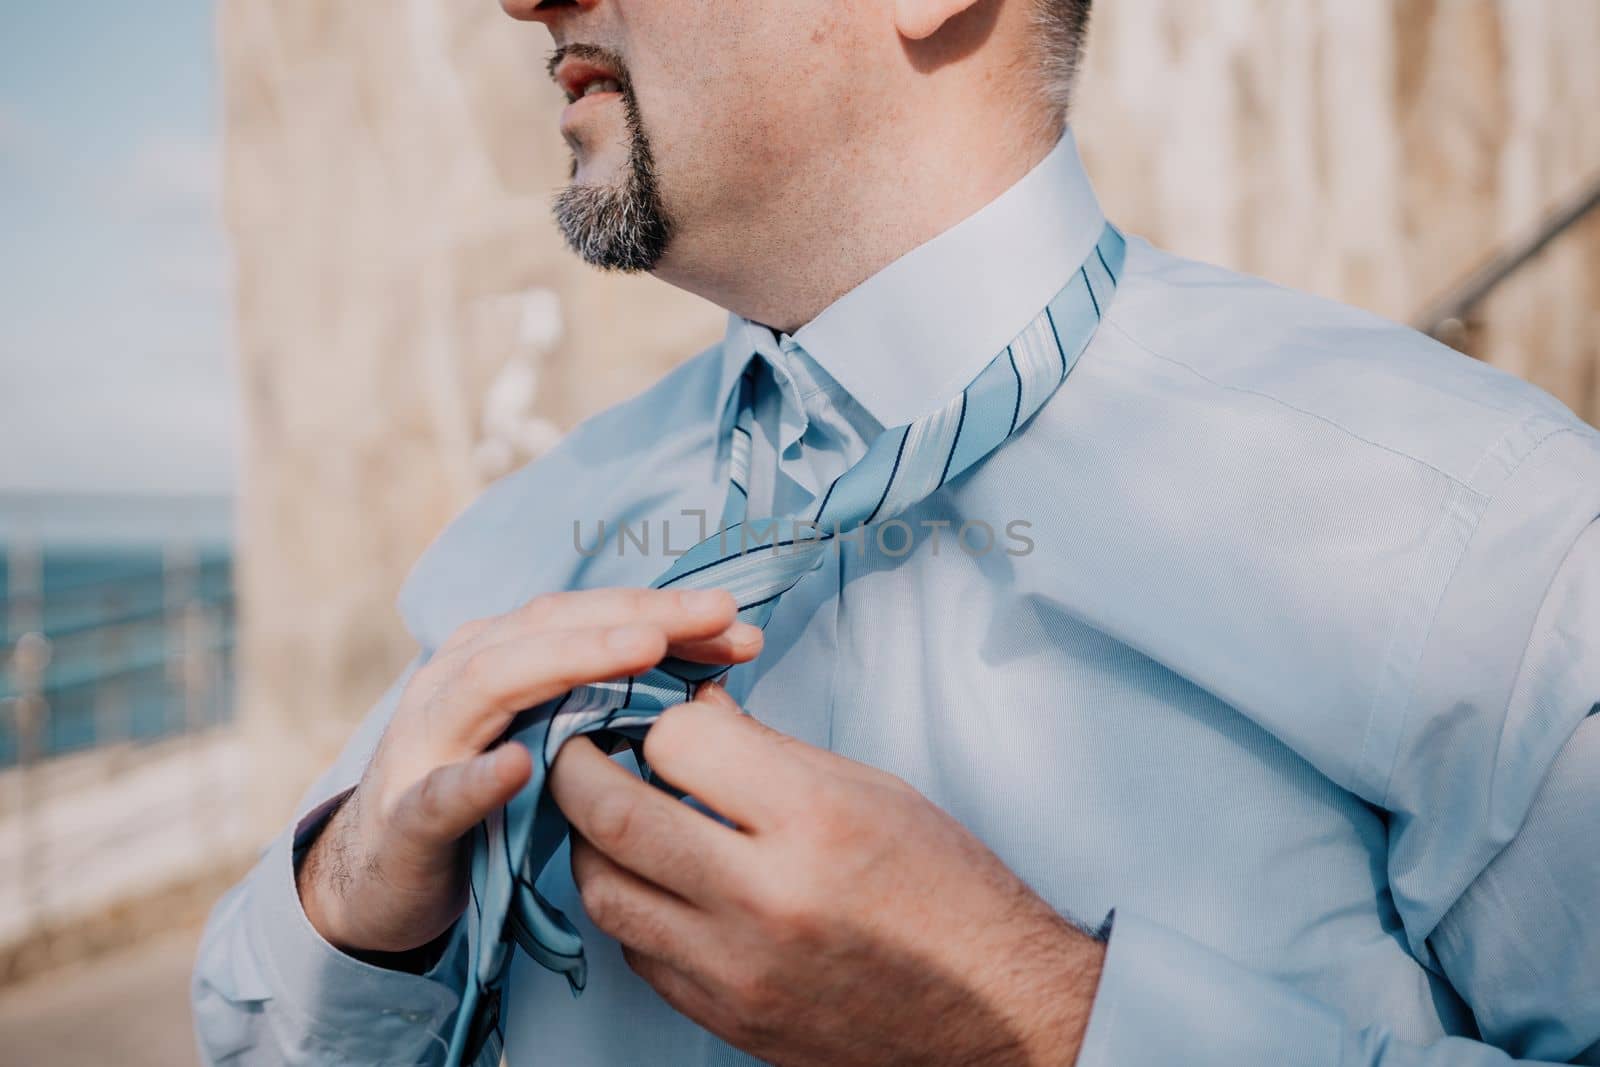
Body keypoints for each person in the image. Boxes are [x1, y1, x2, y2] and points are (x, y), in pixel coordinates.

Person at [192, 0, 1600, 1064]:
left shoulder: (1479, 544)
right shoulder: (517, 541)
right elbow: (246, 1026)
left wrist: (1038, 1021)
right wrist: (360, 901)